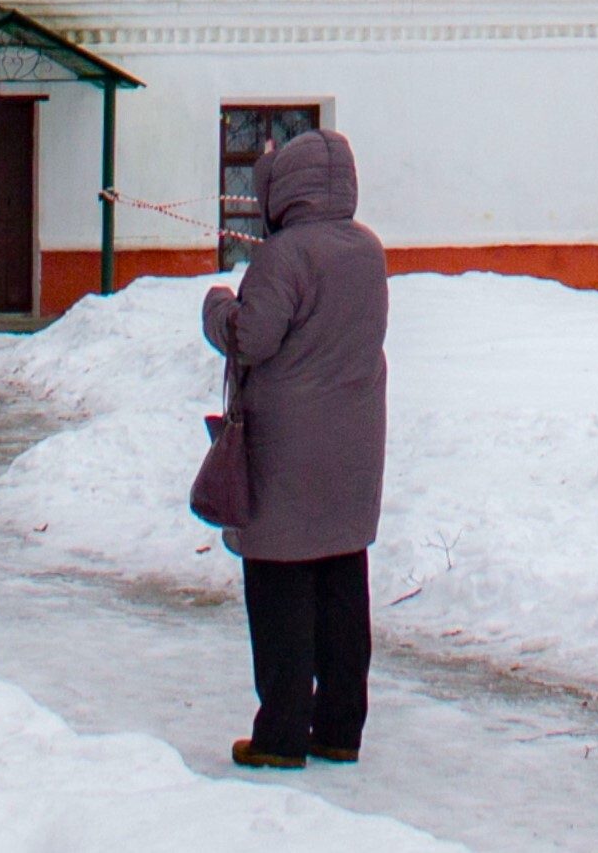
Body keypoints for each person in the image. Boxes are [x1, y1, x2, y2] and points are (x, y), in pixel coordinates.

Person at [201, 127, 387, 769]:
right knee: (342, 584)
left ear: (286, 190)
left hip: (286, 449)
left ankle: (280, 736)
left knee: (279, 587)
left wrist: (218, 308)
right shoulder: (368, 251)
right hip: (355, 445)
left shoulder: (285, 257)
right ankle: (339, 729)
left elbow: (251, 339)